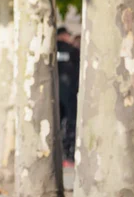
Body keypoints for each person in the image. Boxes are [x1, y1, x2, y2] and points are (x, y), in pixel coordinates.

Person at [56, 27, 80, 166]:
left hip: (54, 94)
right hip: (70, 93)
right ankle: (68, 156)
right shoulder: (72, 51)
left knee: (56, 124)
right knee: (70, 123)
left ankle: (58, 155)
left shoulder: (50, 51)